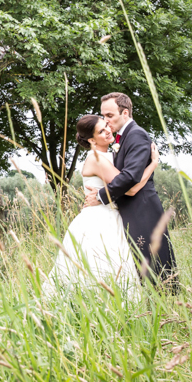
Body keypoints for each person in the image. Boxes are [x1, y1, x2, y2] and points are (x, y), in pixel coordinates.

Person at [43, 114, 158, 298]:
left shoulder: (110, 155)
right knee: (104, 267)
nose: (107, 131)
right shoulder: (96, 158)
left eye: (106, 126)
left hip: (112, 216)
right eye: (101, 131)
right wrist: (153, 164)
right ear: (91, 140)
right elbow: (130, 189)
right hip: (100, 221)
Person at [85, 92, 178, 289]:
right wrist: (153, 164)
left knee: (154, 270)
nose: (106, 122)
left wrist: (100, 196)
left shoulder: (136, 134)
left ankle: (163, 313)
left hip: (142, 210)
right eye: (103, 116)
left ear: (125, 112)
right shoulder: (121, 138)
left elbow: (130, 178)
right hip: (129, 211)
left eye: (109, 116)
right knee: (140, 269)